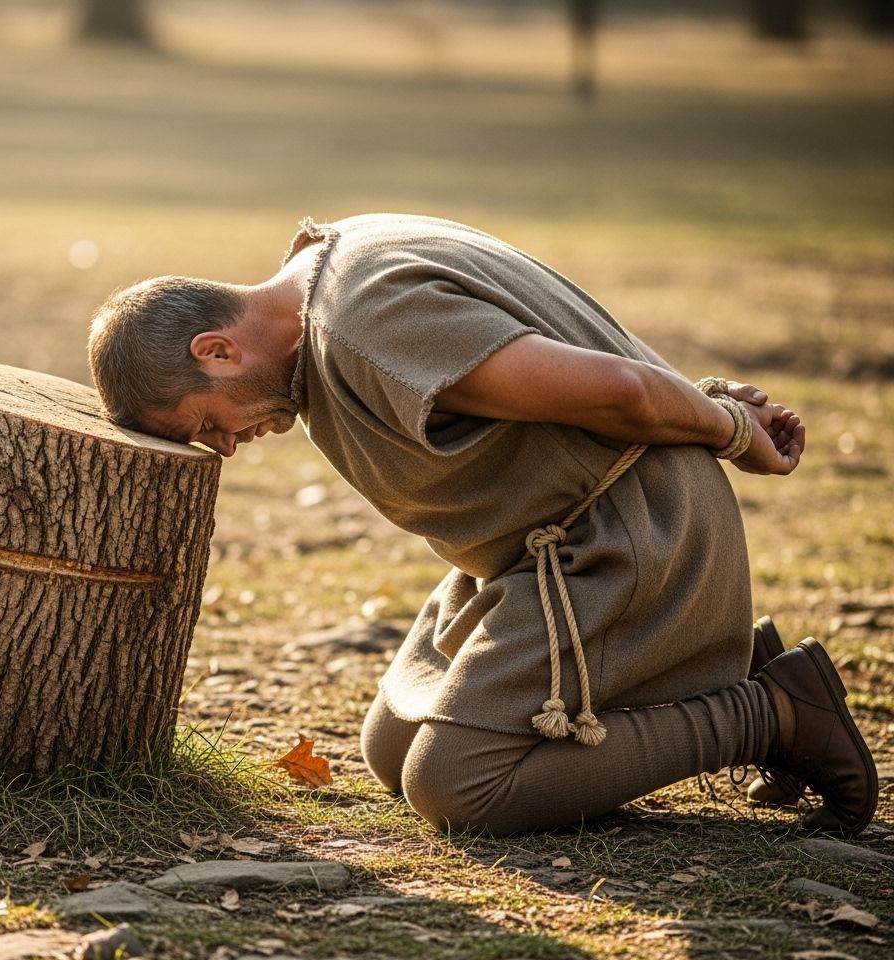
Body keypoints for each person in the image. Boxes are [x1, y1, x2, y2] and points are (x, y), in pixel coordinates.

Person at [88, 213, 877, 838]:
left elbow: (622, 396)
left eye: (207, 423)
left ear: (217, 349)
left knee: (460, 783)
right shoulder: (339, 255)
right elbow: (561, 355)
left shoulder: (365, 322)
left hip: (623, 532)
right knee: (393, 747)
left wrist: (729, 426)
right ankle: (732, 664)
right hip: (531, 553)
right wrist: (708, 396)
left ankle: (767, 712)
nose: (225, 446)